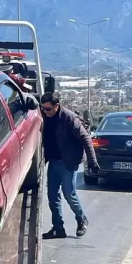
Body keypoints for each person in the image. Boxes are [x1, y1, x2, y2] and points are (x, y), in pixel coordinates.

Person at [39, 92, 100, 239]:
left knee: (69, 193)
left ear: (57, 106)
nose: (45, 112)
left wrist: (92, 162)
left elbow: (85, 138)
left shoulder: (69, 118)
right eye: (43, 108)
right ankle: (58, 228)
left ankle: (81, 218)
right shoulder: (43, 115)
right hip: (53, 161)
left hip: (68, 162)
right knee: (53, 196)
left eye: (48, 109)